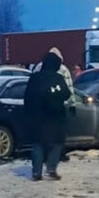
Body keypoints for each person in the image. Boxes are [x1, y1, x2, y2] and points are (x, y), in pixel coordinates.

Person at [24, 53, 71, 181]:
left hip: (37, 117)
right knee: (57, 143)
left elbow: (27, 96)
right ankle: (51, 169)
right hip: (56, 117)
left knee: (38, 144)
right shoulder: (58, 78)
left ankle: (36, 172)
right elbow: (66, 94)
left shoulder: (34, 78)